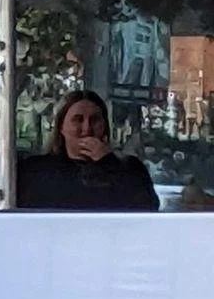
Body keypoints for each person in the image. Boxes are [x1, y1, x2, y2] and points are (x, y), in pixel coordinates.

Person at [15, 90, 159, 211]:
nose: (87, 129)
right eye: (77, 120)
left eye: (95, 120)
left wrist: (109, 163)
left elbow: (147, 208)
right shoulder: (35, 170)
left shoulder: (129, 168)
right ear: (61, 127)